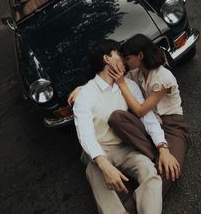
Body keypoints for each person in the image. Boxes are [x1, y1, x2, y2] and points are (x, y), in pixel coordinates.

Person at [72, 39, 177, 214]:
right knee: (94, 172)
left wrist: (162, 146)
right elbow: (85, 135)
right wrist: (105, 167)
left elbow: (147, 117)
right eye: (118, 55)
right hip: (100, 149)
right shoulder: (85, 95)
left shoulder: (129, 85)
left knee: (150, 172)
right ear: (107, 59)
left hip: (125, 146)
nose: (123, 59)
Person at [108, 34, 189, 194]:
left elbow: (140, 110)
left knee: (169, 171)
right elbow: (108, 79)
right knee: (117, 118)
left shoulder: (162, 77)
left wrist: (122, 85)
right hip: (152, 122)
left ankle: (130, 209)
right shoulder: (136, 72)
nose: (125, 62)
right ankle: (158, 154)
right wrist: (81, 89)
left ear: (140, 56)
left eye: (128, 58)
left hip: (172, 125)